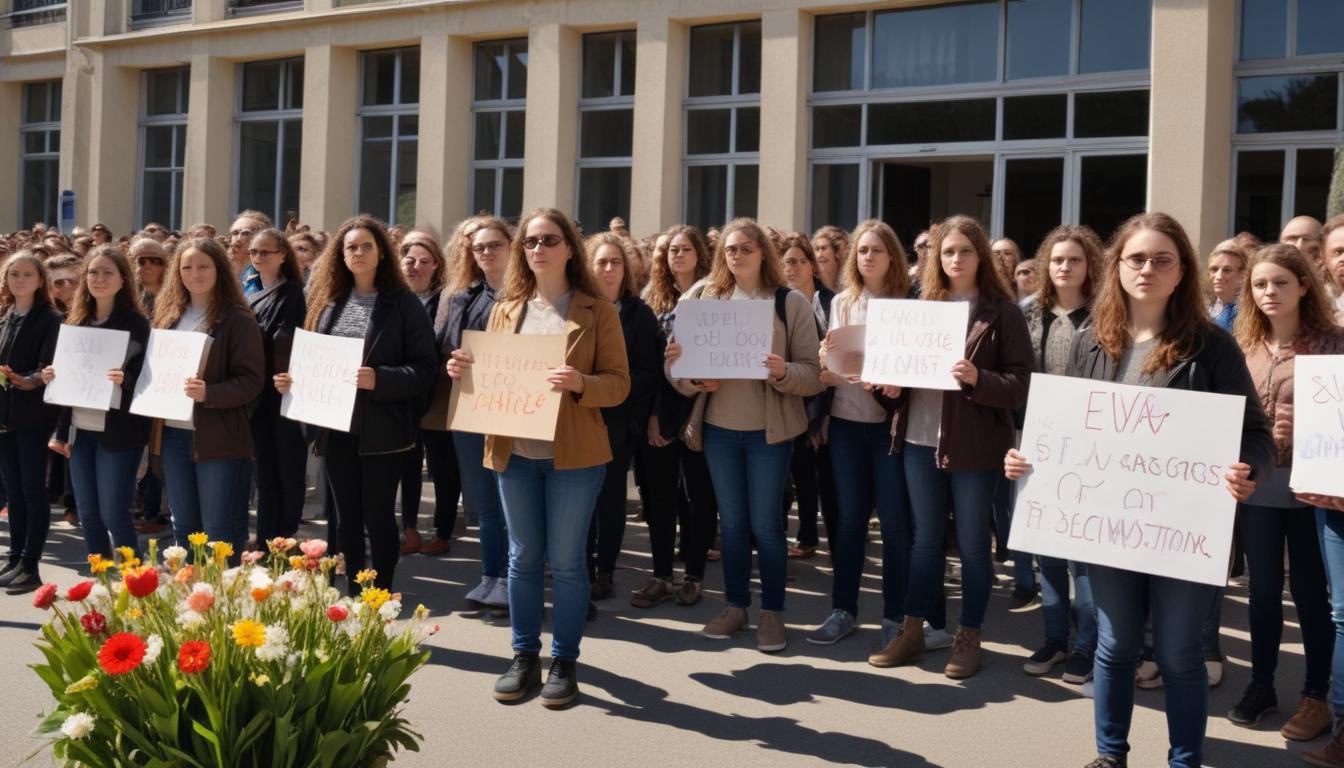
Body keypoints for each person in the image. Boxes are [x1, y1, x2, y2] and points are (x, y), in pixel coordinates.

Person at [1005, 212, 1274, 768]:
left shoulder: (1213, 348)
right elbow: (1063, 429)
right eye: (1136, 258)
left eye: (1162, 259)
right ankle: (1110, 756)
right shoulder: (1090, 343)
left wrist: (1247, 467)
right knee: (1115, 645)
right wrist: (1029, 461)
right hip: (1110, 529)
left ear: (1181, 272)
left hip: (1182, 529)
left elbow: (1255, 433)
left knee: (1178, 654)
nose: (1147, 268)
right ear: (1117, 267)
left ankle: (1184, 760)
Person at [449, 207, 629, 708]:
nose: (538, 249)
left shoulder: (598, 309)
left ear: (571, 247)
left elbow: (619, 385)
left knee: (568, 562)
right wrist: (463, 367)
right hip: (515, 450)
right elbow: (489, 374)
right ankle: (524, 655)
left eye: (549, 239)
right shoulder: (508, 308)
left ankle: (564, 660)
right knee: (522, 559)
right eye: (530, 241)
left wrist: (580, 384)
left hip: (574, 455)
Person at [869, 215, 1032, 679]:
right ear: (935, 259)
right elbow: (890, 379)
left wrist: (980, 379)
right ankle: (914, 630)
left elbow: (1020, 384)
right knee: (925, 542)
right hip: (919, 440)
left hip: (975, 447)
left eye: (964, 250)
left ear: (980, 255)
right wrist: (889, 388)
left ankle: (969, 635)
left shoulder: (1002, 311)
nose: (955, 259)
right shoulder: (916, 304)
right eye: (947, 252)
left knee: (975, 546)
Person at [665, 218, 823, 653]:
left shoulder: (788, 303)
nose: (737, 255)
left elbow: (812, 374)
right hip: (718, 431)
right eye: (730, 249)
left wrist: (782, 372)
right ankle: (736, 606)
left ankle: (773, 613)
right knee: (731, 525)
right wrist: (693, 379)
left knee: (767, 527)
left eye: (746, 248)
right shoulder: (701, 297)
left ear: (762, 254)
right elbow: (674, 365)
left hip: (768, 435)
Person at [276, 215, 436, 594]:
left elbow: (426, 369)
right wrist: (295, 382)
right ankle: (351, 597)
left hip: (383, 431)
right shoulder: (329, 303)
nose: (359, 252)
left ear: (381, 252)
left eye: (366, 245)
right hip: (336, 428)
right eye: (351, 247)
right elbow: (316, 359)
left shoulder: (403, 304)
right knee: (345, 517)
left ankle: (377, 598)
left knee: (378, 516)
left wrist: (380, 378)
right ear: (341, 255)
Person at [1223, 243, 1339, 742]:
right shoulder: (1241, 345)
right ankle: (1262, 684)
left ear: (1304, 287)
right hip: (1259, 488)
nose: (1269, 292)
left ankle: (1316, 695)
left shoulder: (1334, 345)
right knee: (1263, 591)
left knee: (1312, 595)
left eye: (1281, 283)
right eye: (1260, 284)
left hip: (1314, 491)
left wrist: (1311, 421)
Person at [807, 219, 913, 648]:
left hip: (888, 427)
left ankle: (894, 616)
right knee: (849, 521)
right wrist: (826, 367)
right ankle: (843, 609)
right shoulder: (843, 302)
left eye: (877, 250)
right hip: (848, 424)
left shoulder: (909, 301)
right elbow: (832, 359)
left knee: (893, 524)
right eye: (863, 250)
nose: (868, 256)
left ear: (893, 256)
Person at [1016, 225, 1104, 684]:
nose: (1065, 267)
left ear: (1090, 266)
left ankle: (1087, 647)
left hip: (1089, 449)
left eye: (1074, 260)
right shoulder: (1029, 314)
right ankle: (1054, 637)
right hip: (1035, 443)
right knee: (1045, 550)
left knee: (1081, 555)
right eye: (1057, 260)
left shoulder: (1108, 316)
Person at [152, 238, 263, 557]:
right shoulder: (168, 315)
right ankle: (189, 600)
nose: (194, 273)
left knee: (217, 531)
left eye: (203, 266)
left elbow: (252, 381)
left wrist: (209, 392)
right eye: (187, 267)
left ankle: (219, 601)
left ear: (219, 270)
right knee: (184, 526)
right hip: (173, 433)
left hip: (219, 439)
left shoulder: (238, 319)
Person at [42, 246, 150, 562]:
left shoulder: (135, 323)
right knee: (88, 513)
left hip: (118, 435)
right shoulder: (77, 321)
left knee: (114, 513)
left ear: (122, 280)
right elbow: (68, 385)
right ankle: (100, 577)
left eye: (107, 273)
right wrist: (54, 376)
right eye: (93, 272)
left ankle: (135, 581)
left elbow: (144, 376)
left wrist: (125, 378)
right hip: (80, 433)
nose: (99, 279)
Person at [632, 224, 718, 608]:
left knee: (698, 498)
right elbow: (647, 365)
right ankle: (662, 575)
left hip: (702, 409)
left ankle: (694, 577)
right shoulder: (652, 300)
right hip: (661, 410)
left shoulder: (717, 296)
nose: (678, 256)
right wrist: (652, 417)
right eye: (671, 251)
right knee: (661, 498)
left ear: (700, 253)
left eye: (685, 249)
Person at [431, 215, 510, 605]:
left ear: (512, 247)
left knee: (513, 502)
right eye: (479, 247)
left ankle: (514, 579)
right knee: (483, 502)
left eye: (495, 245)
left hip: (515, 409)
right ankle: (491, 574)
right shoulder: (465, 297)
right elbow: (445, 347)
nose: (486, 253)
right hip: (471, 406)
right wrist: (451, 363)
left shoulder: (529, 299)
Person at [586, 232, 660, 599]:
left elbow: (650, 370)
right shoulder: (577, 309)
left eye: (616, 262)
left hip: (618, 420)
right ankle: (578, 566)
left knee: (611, 498)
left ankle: (605, 571)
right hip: (579, 417)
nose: (610, 269)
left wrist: (613, 384)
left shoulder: (640, 314)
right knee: (578, 497)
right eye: (602, 262)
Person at [0, 253, 61, 593]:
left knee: (32, 490)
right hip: (5, 415)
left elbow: (51, 367)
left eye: (27, 274)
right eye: (14, 274)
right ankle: (15, 558)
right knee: (14, 492)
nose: (20, 280)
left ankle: (31, 563)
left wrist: (28, 379)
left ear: (40, 281)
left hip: (33, 416)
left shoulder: (49, 318)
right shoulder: (5, 314)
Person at [246, 228, 309, 544]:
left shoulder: (293, 293)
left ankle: (286, 531)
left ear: (283, 255)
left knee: (287, 466)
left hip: (283, 390)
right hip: (258, 392)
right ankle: (266, 535)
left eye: (265, 252)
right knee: (265, 468)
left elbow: (283, 338)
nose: (257, 258)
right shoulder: (250, 290)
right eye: (254, 252)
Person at [779, 233, 837, 560]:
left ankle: (828, 540)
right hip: (790, 398)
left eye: (801, 261)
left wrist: (822, 414)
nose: (794, 268)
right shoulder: (779, 301)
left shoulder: (829, 301)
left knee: (821, 475)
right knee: (796, 471)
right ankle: (804, 535)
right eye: (788, 261)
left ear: (812, 266)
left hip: (824, 399)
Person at [397, 230, 453, 556]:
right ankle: (409, 529)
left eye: (423, 261)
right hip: (400, 393)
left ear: (435, 266)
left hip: (435, 394)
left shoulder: (445, 298)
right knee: (407, 463)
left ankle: (443, 530)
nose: (415, 267)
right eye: (409, 260)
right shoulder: (392, 297)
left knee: (441, 465)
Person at [1206, 240, 1249, 332]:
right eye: (1214, 269)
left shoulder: (1252, 311)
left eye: (1227, 270)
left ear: (1243, 274)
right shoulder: (1201, 310)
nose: (1219, 276)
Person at [227, 210, 270, 295]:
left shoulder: (266, 274)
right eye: (235, 233)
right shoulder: (222, 270)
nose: (238, 238)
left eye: (245, 233)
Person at [131, 238, 167, 316]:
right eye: (141, 261)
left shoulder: (178, 299)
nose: (148, 266)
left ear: (165, 264)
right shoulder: (126, 298)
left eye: (154, 260)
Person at [812, 225, 849, 294]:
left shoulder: (849, 286)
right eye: (817, 249)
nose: (819, 255)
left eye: (824, 248)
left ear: (838, 252)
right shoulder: (810, 284)